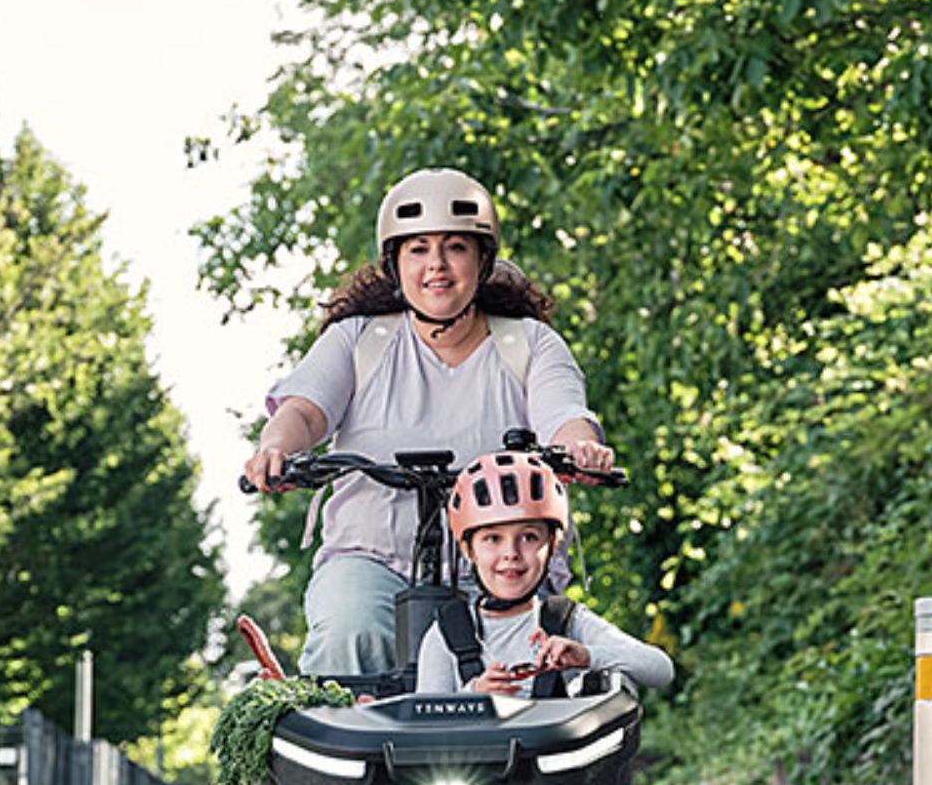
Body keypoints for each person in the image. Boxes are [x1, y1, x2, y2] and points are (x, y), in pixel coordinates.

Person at [242, 166, 615, 677]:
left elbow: (565, 417)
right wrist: (277, 448)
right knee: (349, 632)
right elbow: (304, 410)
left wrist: (580, 449)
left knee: (535, 666)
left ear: (482, 260)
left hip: (501, 566)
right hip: (372, 559)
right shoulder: (358, 342)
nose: (436, 265)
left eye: (455, 248)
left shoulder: (528, 345)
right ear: (395, 264)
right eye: (418, 249)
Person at [416, 450, 674, 696]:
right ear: (468, 549)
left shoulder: (565, 620)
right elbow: (422, 727)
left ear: (551, 546)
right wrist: (473, 695)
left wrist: (586, 656)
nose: (511, 553)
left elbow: (660, 669)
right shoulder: (447, 632)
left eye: (528, 537)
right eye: (493, 538)